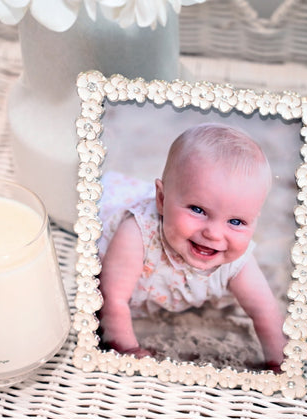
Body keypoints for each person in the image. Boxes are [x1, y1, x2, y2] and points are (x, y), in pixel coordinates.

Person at [97, 123, 288, 370]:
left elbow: (266, 314)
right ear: (162, 200)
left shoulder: (236, 261)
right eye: (198, 210)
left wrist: (279, 363)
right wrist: (128, 349)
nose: (213, 233)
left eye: (236, 221)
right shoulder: (136, 233)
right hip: (106, 207)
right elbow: (112, 298)